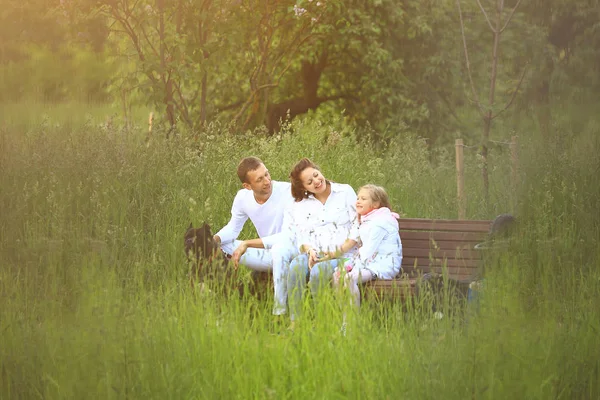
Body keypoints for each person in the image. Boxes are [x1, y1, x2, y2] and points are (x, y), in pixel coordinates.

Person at [213, 156, 297, 316]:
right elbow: (233, 228)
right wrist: (214, 240)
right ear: (247, 186)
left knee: (279, 250)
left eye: (267, 174)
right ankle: (225, 293)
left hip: (288, 252)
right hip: (266, 255)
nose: (267, 181)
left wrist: (247, 244)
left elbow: (287, 236)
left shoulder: (287, 192)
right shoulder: (242, 198)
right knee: (222, 244)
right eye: (260, 179)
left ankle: (279, 313)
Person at [285, 158, 358, 325]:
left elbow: (357, 226)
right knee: (296, 266)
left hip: (344, 255)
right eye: (310, 182)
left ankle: (323, 322)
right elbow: (301, 235)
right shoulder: (302, 204)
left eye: (317, 175)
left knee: (318, 272)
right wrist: (309, 250)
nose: (317, 182)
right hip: (317, 254)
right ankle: (296, 323)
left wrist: (337, 252)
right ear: (304, 187)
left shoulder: (344, 192)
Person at [330, 184, 402, 307]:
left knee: (348, 278)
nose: (358, 201)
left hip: (382, 265)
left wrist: (351, 266)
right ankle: (342, 316)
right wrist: (347, 265)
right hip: (369, 263)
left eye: (363, 199)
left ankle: (351, 322)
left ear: (375, 204)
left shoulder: (381, 222)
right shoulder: (367, 220)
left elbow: (367, 251)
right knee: (337, 276)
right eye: (358, 198)